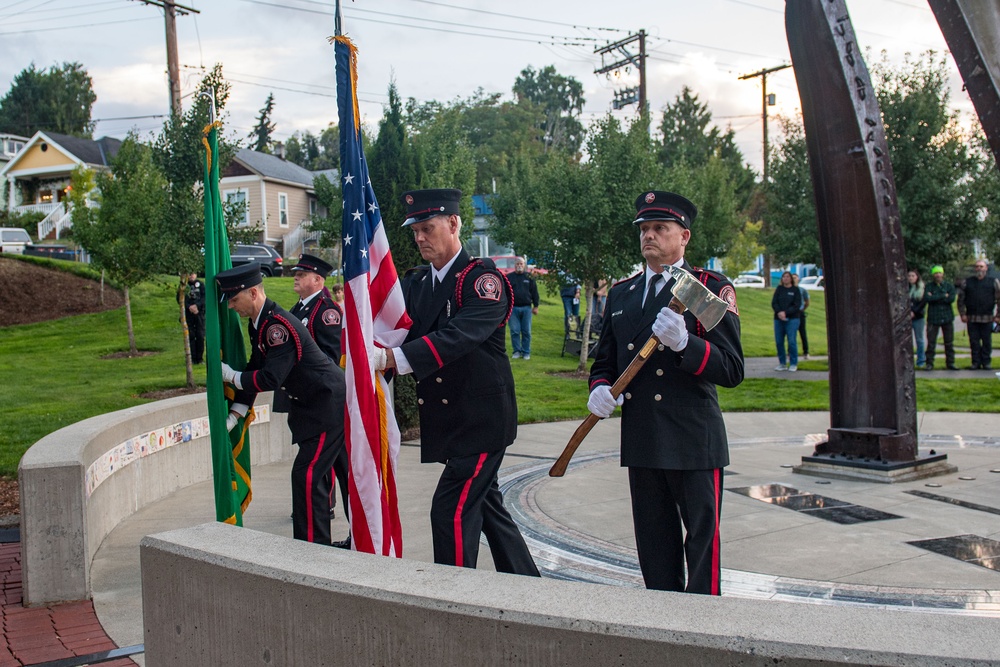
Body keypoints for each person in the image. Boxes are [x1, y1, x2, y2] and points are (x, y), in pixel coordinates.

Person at [588, 190, 744, 595]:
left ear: (684, 237)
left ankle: (703, 630)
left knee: (702, 548)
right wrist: (600, 387)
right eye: (644, 229)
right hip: (643, 437)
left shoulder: (702, 289)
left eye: (660, 228)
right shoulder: (622, 293)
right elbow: (604, 359)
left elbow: (731, 368)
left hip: (693, 436)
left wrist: (685, 345)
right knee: (654, 548)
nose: (649, 236)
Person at [381, 188, 539, 577]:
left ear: (454, 224)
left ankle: (453, 599)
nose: (419, 238)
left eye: (427, 228)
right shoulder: (419, 283)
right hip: (454, 421)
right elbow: (400, 327)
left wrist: (392, 359)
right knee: (488, 508)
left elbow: (459, 336)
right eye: (415, 231)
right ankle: (529, 586)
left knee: (450, 509)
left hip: (482, 421)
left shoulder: (483, 280)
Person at [215, 263, 347, 546]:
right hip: (313, 406)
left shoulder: (276, 326)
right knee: (344, 475)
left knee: (308, 474)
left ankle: (313, 549)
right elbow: (257, 363)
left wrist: (231, 376)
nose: (231, 307)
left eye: (234, 300)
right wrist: (237, 413)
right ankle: (351, 541)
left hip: (327, 403)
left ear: (252, 293)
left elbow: (271, 377)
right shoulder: (259, 322)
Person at [288, 254, 351, 549]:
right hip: (309, 403)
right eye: (296, 273)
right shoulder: (298, 309)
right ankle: (322, 528)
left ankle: (350, 534)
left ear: (318, 280)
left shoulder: (326, 311)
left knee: (341, 473)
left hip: (325, 401)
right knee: (332, 469)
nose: (296, 277)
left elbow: (328, 356)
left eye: (302, 274)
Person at [958, 259, 1000, 370]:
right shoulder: (967, 282)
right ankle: (975, 362)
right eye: (977, 266)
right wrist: (962, 313)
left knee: (987, 341)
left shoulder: (993, 282)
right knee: (974, 342)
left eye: (981, 266)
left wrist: (998, 315)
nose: (979, 269)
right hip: (971, 317)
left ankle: (986, 362)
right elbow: (961, 300)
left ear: (986, 268)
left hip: (987, 317)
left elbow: (999, 299)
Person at [925, 265, 958, 371]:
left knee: (949, 342)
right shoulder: (929, 286)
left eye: (939, 273)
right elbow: (927, 299)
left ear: (942, 274)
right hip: (933, 318)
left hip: (947, 317)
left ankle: (950, 363)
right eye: (935, 273)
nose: (938, 275)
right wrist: (943, 296)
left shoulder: (949, 286)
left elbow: (951, 299)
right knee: (931, 342)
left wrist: (935, 297)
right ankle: (929, 363)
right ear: (933, 275)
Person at [507, 256, 539, 360]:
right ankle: (516, 351)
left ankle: (526, 352)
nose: (519, 266)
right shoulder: (509, 277)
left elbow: (534, 292)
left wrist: (536, 306)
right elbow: (506, 293)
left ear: (524, 265)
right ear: (514, 266)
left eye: (521, 264)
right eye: (517, 264)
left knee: (526, 331)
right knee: (515, 331)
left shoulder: (529, 277)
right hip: (513, 308)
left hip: (526, 308)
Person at [771, 271, 802, 372]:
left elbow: (797, 305)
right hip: (778, 319)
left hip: (792, 318)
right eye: (784, 277)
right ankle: (782, 363)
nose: (785, 278)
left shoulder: (795, 290)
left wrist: (786, 312)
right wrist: (779, 312)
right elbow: (774, 302)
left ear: (791, 279)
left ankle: (793, 363)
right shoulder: (779, 289)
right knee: (779, 341)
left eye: (787, 277)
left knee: (792, 341)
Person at [180, 272, 206, 364]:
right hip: (188, 314)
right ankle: (191, 358)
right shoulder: (184, 285)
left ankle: (199, 358)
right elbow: (180, 298)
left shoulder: (201, 285)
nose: (191, 276)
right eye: (189, 274)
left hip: (199, 313)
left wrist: (197, 306)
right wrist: (189, 307)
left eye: (193, 273)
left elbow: (205, 297)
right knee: (190, 335)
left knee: (200, 335)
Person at [908, 268, 927, 369]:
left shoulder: (922, 288)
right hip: (907, 317)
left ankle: (921, 360)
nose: (910, 278)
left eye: (912, 276)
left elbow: (922, 302)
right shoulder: (907, 289)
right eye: (909, 276)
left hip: (918, 317)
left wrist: (914, 311)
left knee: (919, 339)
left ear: (917, 277)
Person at [791, 274, 810, 360]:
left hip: (800, 313)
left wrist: (802, 309)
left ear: (798, 279)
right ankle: (791, 352)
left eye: (795, 278)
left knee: (803, 333)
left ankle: (806, 352)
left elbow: (807, 302)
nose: (794, 279)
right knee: (791, 334)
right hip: (791, 314)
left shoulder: (802, 290)